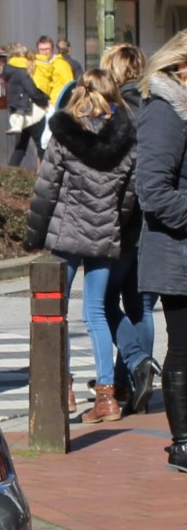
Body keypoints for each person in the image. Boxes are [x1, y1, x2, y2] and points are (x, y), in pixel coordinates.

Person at [23, 70, 137, 425]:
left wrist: (34, 235)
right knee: (96, 314)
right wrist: (111, 223)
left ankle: (63, 389)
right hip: (103, 236)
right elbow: (128, 197)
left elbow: (47, 190)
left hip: (66, 234)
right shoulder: (127, 141)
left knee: (56, 314)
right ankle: (107, 396)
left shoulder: (63, 135)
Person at [135, 31, 187, 471]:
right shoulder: (164, 111)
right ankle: (184, 442)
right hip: (177, 251)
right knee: (184, 347)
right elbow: (153, 191)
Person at [100, 43, 159, 414]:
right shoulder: (155, 107)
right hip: (151, 222)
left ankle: (134, 368)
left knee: (104, 301)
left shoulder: (114, 111)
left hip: (121, 221)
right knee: (142, 306)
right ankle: (137, 381)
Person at [2, 42, 50, 167]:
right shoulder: (21, 71)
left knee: (20, 148)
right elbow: (32, 91)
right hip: (32, 113)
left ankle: (9, 176)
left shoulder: (9, 70)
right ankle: (45, 176)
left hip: (19, 114)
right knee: (42, 146)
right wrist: (45, 101)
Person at [32, 35, 75, 108]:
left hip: (58, 104)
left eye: (47, 49)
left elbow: (70, 85)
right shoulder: (35, 65)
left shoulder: (61, 64)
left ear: (52, 49)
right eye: (41, 49)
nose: (44, 52)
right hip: (43, 104)